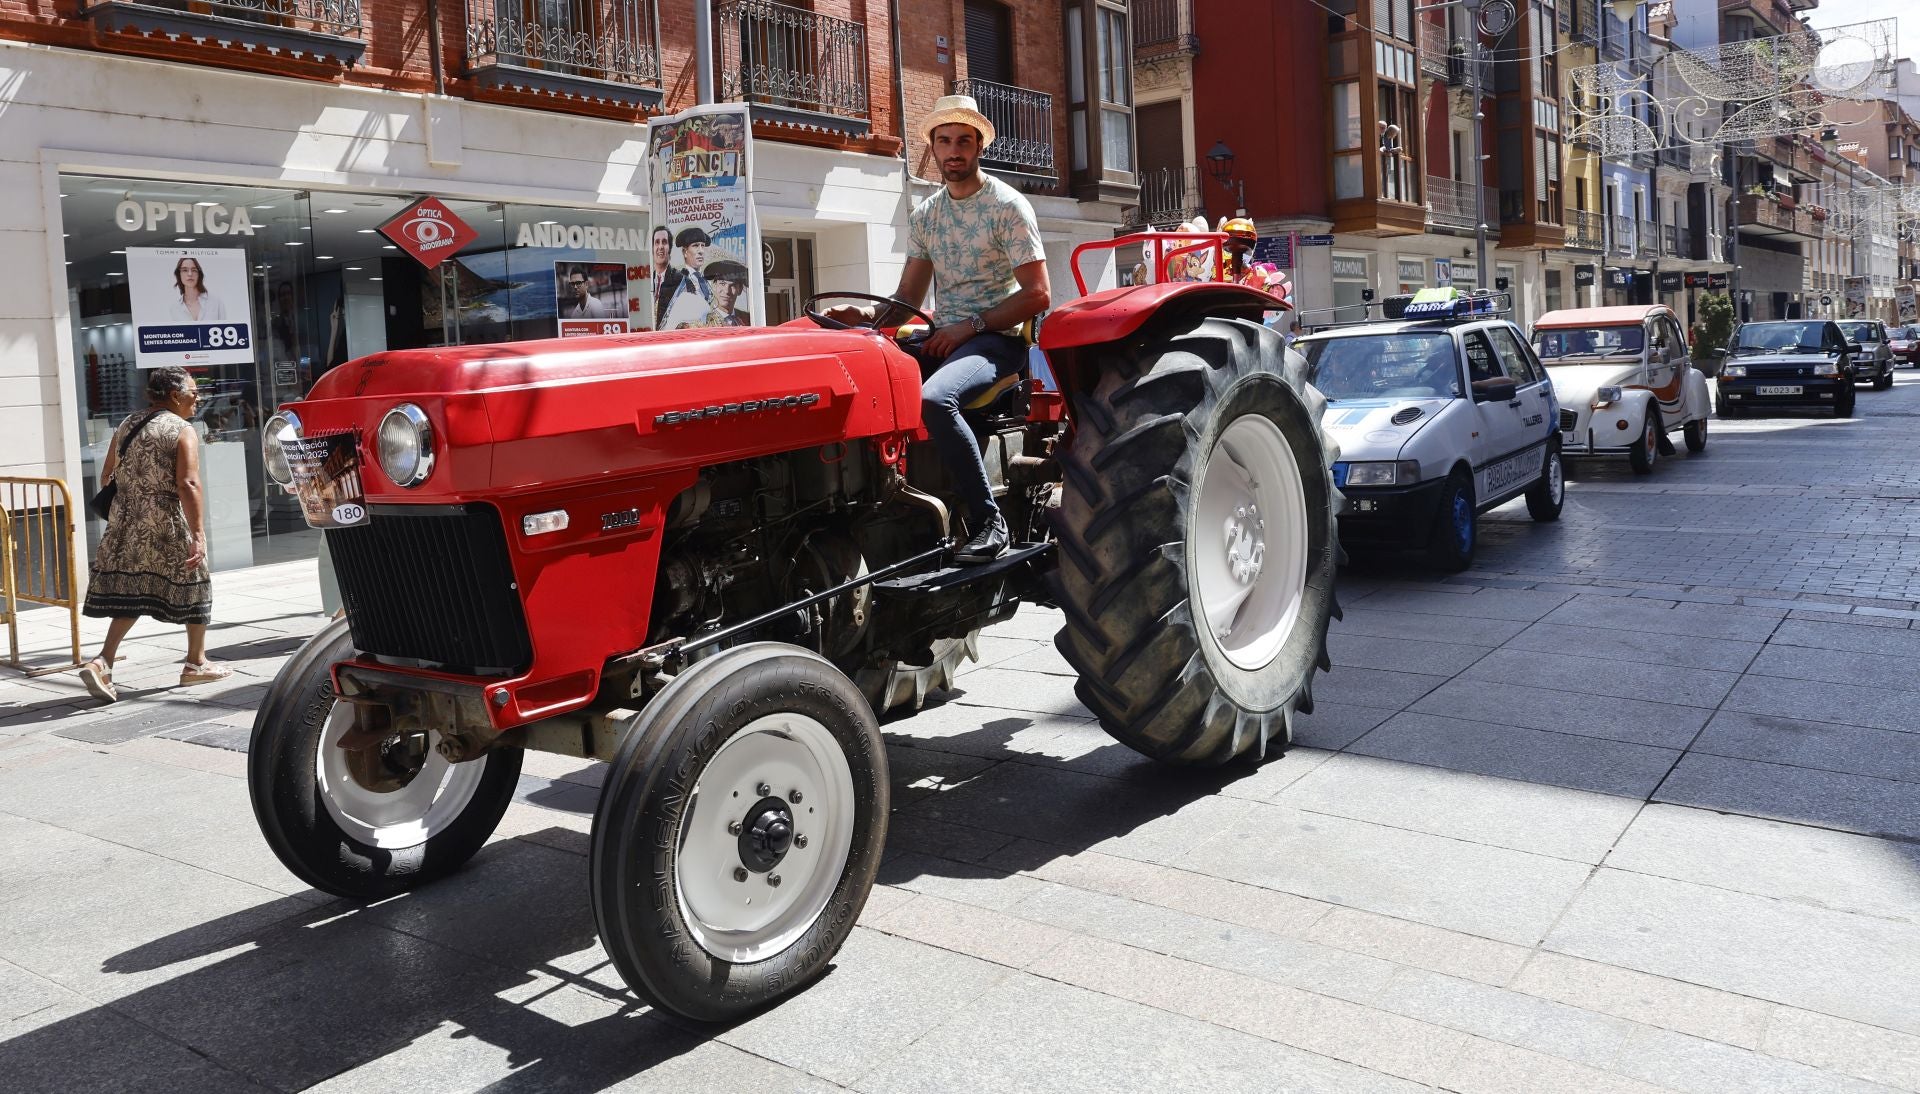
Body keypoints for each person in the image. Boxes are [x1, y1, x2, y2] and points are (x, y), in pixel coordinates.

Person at [830, 94, 1051, 563]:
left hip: (996, 341)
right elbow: (909, 298)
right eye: (945, 141)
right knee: (854, 376)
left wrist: (970, 327)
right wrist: (863, 321)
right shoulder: (927, 215)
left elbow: (1037, 295)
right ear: (933, 147)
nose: (955, 150)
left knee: (934, 398)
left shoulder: (1007, 206)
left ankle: (990, 523)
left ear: (979, 148)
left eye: (964, 141)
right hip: (945, 338)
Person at [78, 366, 231, 703]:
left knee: (132, 592)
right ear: (175, 395)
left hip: (126, 522)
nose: (198, 397)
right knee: (197, 583)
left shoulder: (127, 424)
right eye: (193, 392)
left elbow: (107, 475)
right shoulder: (182, 429)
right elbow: (188, 483)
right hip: (165, 523)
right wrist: (199, 534)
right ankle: (196, 663)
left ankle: (102, 661)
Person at [665, 259, 752, 328]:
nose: (726, 291)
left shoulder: (747, 318)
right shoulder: (701, 319)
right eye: (722, 284)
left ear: (740, 289)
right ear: (714, 286)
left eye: (732, 285)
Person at [658, 228, 712, 324]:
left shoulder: (708, 281)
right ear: (685, 252)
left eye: (702, 246)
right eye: (695, 246)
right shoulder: (676, 280)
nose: (701, 251)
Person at [165, 256, 226, 323]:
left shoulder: (216, 302)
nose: (190, 274)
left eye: (194, 270)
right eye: (185, 270)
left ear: (199, 274)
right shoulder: (174, 308)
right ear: (179, 274)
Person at [647, 226, 673, 328]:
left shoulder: (681, 281)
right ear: (652, 248)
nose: (660, 247)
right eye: (657, 242)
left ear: (670, 247)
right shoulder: (648, 280)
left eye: (664, 242)